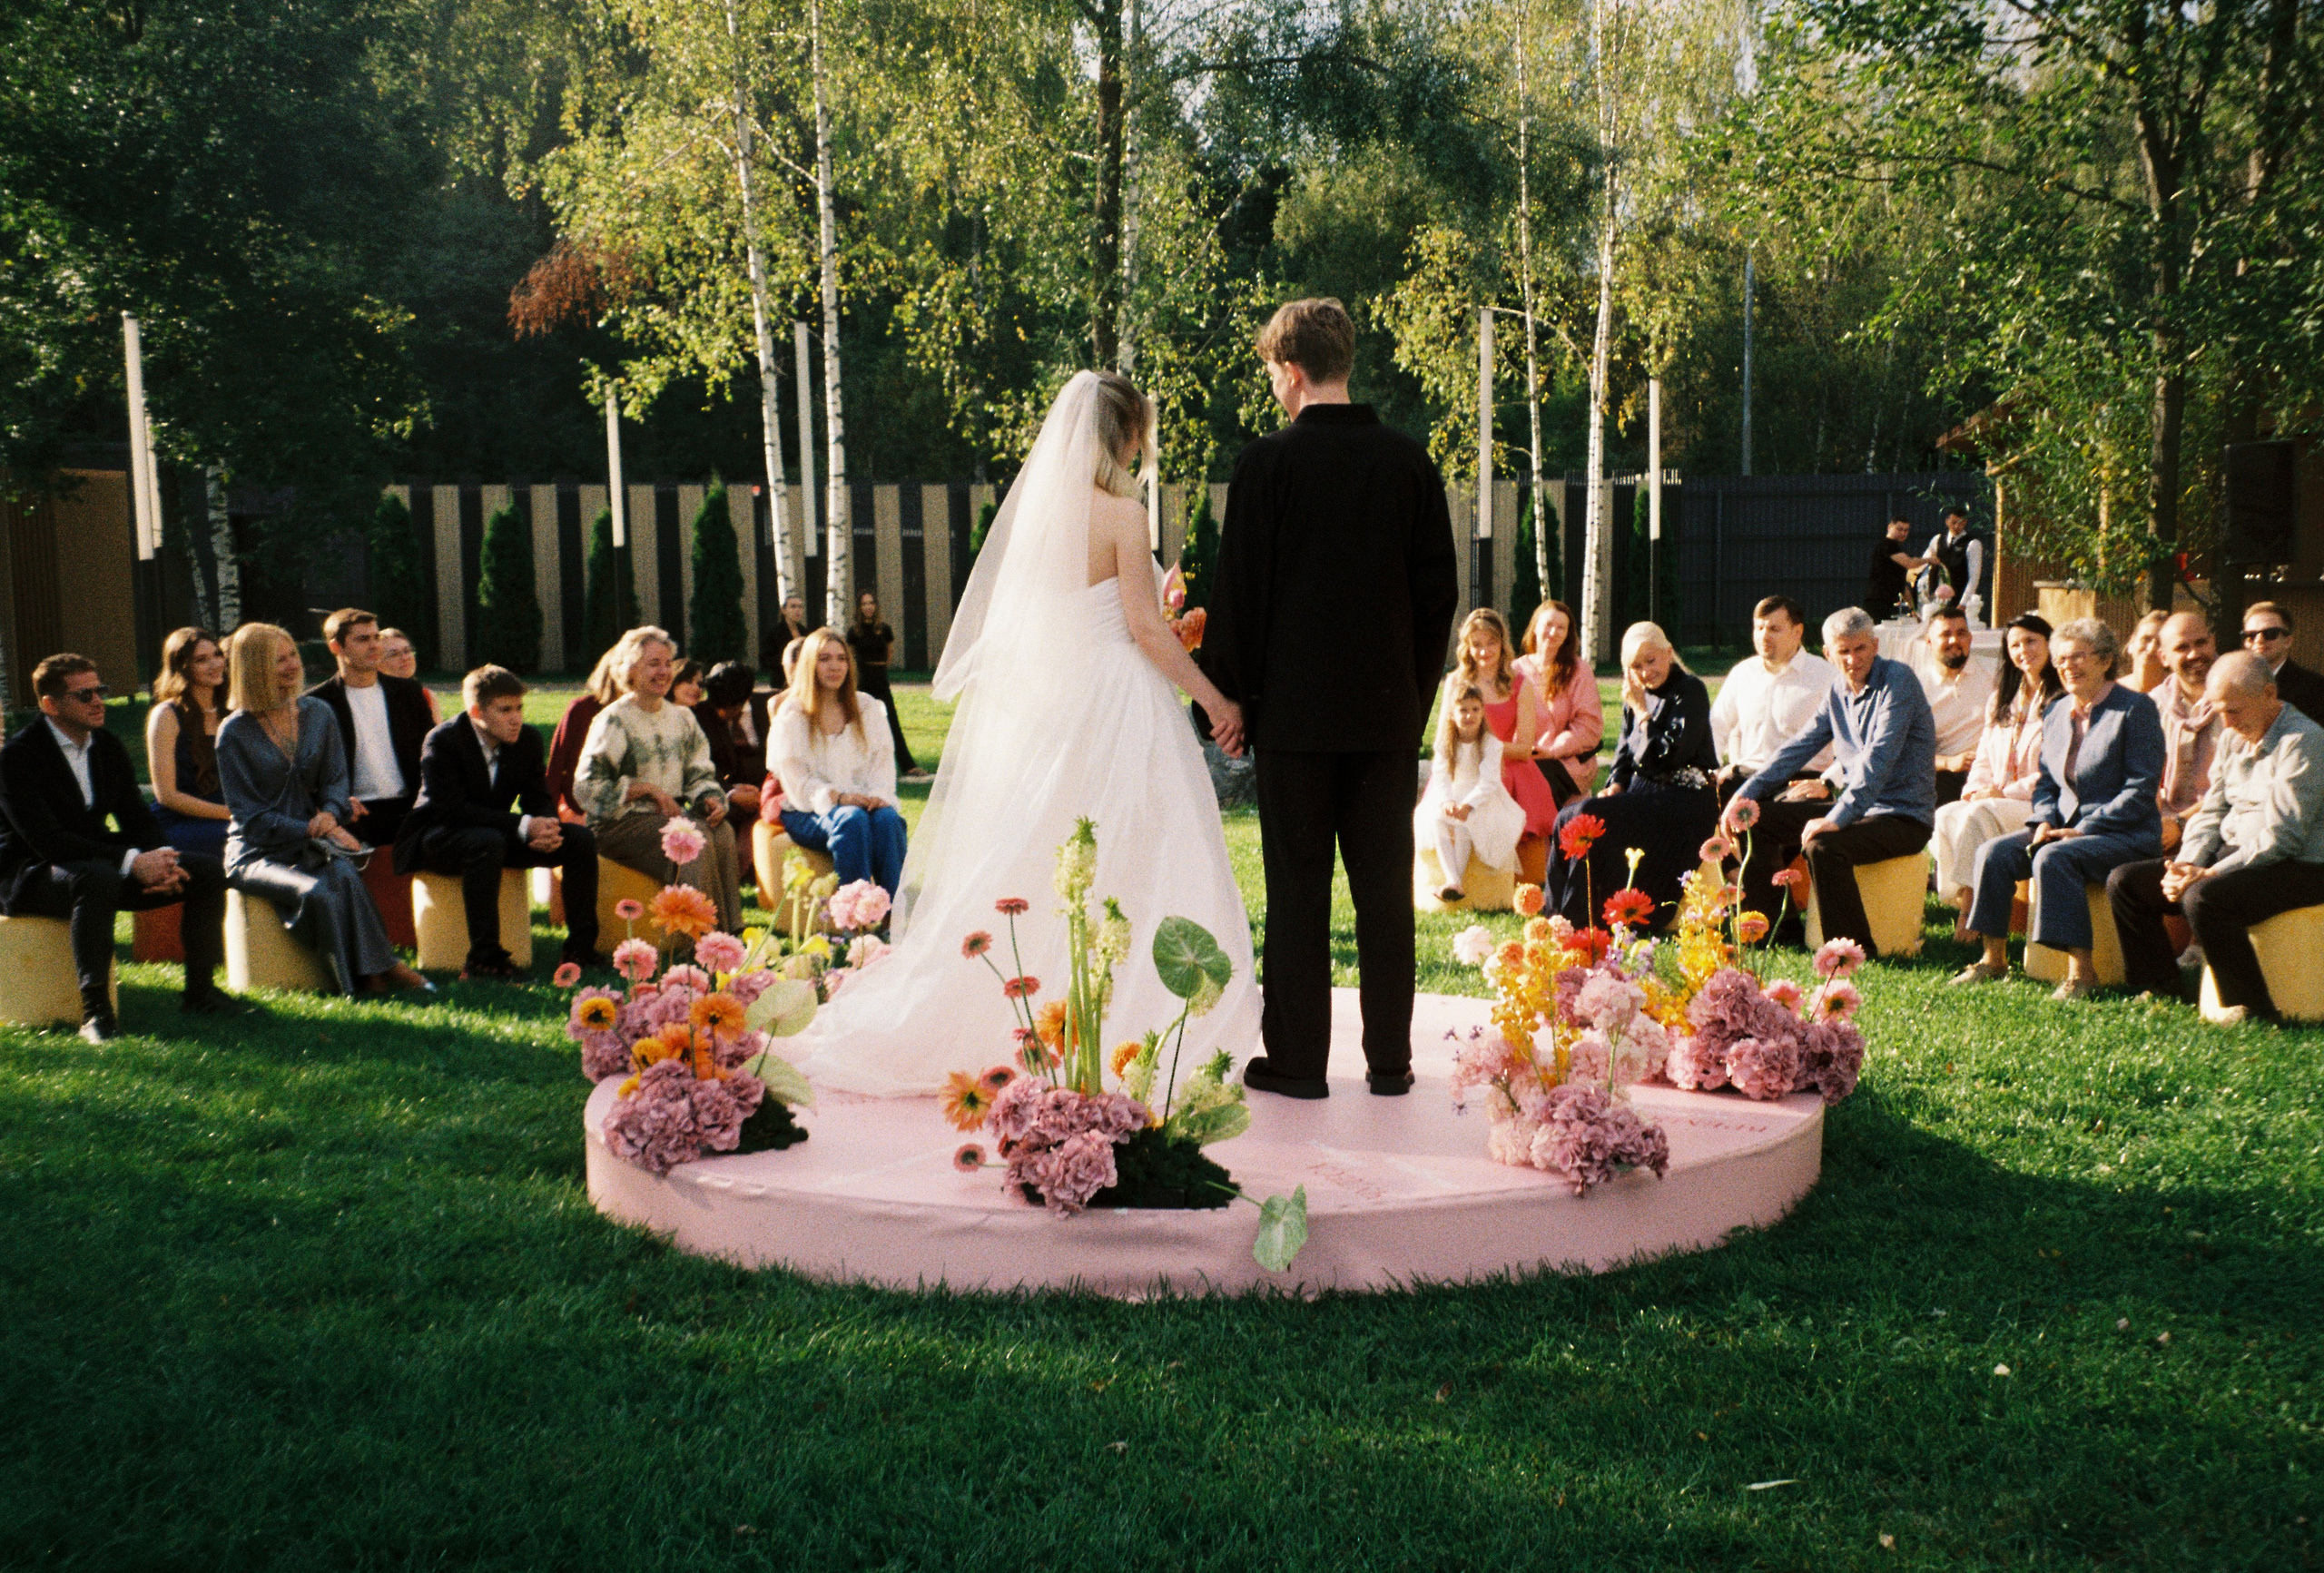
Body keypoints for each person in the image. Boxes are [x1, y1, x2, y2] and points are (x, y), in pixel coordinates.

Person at [792, 369, 1266, 1099]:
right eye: (1139, 433)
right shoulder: (1119, 513)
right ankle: (1126, 1020)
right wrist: (1214, 698)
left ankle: (1022, 1009)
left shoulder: (1042, 516)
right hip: (1118, 702)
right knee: (1136, 852)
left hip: (1054, 705)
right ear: (1124, 436)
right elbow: (1141, 628)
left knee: (1041, 851)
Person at [1197, 299, 1458, 1099]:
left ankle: (1301, 1063)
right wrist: (1410, 708)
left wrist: (1225, 704)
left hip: (1295, 728)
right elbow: (1437, 601)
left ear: (1291, 369)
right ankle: (1390, 1063)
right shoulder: (1409, 462)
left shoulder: (1266, 465)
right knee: (1385, 898)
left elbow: (1240, 597)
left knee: (1299, 894)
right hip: (1384, 723)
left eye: (1272, 372)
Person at [0, 654, 234, 1040]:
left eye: (100, 691)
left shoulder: (106, 744)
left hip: (95, 862)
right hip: (28, 871)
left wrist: (163, 859)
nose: (97, 702)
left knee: (207, 871)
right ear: (50, 704)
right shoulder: (17, 757)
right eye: (84, 695)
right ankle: (96, 1015)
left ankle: (201, 993)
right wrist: (131, 862)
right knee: (97, 877)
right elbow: (48, 841)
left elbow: (137, 816)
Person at [1952, 617, 2163, 1000]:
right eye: (2061, 660)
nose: (2068, 667)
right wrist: (2045, 819)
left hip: (2126, 834)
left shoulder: (2135, 709)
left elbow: (2140, 789)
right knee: (1993, 853)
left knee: (2054, 859)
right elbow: (2047, 782)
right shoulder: (2057, 710)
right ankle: (1992, 960)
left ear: (2104, 660)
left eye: (2078, 658)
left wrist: (2085, 828)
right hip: (2063, 827)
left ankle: (2082, 974)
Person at [2107, 652, 2324, 1023]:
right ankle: (2161, 985)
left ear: (2269, 694)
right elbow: (2211, 811)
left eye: (2234, 710)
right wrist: (2187, 863)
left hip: (2300, 864)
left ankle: (2250, 1008)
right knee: (2126, 881)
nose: (2224, 721)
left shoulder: (2305, 741)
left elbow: (2283, 836)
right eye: (2219, 710)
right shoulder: (2232, 736)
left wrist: (2209, 874)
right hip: (2236, 853)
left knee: (2205, 898)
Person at [216, 624, 431, 998]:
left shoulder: (318, 713)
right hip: (256, 852)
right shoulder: (233, 732)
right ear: (253, 667)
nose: (291, 666)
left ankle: (376, 975)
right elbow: (249, 817)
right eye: (278, 660)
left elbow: (337, 784)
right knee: (317, 893)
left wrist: (332, 815)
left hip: (315, 840)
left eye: (292, 656)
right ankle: (366, 978)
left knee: (346, 876)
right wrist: (313, 829)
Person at [1725, 608, 1937, 955]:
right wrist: (1742, 798)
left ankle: (1850, 950)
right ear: (1828, 653)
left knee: (1823, 846)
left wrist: (1836, 817)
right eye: (1843, 651)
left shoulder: (1898, 681)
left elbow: (1877, 760)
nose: (1853, 660)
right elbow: (1796, 749)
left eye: (1860, 649)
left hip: (1904, 816)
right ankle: (1781, 931)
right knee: (1754, 819)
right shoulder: (1837, 689)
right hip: (1858, 808)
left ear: (1875, 645)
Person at [396, 664, 599, 979]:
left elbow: (537, 795)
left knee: (578, 839)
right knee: (485, 840)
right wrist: (522, 827)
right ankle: (484, 958)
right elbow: (451, 810)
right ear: (477, 711)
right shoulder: (443, 740)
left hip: (497, 836)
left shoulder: (528, 739)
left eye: (519, 707)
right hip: (438, 837)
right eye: (505, 710)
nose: (516, 717)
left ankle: (581, 947)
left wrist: (546, 826)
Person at [572, 626, 743, 935]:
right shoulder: (614, 719)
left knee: (722, 831)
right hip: (618, 823)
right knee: (692, 842)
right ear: (631, 669)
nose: (664, 671)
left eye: (667, 663)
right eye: (653, 664)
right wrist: (643, 789)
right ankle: (701, 943)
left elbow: (700, 772)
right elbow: (585, 788)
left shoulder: (682, 718)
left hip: (668, 818)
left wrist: (711, 799)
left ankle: (731, 935)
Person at [1551, 623, 1718, 931]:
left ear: (1669, 653)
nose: (1645, 672)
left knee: (1588, 814)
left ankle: (1579, 918)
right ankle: (1555, 914)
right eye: (1636, 666)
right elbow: (1624, 757)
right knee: (1567, 816)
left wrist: (1643, 713)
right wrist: (1615, 785)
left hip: (1685, 801)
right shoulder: (1636, 697)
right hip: (1645, 796)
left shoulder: (1690, 690)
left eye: (1651, 661)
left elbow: (1669, 756)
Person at [1931, 613, 2061, 940]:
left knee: (1981, 813)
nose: (2023, 650)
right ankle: (1960, 895)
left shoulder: (2061, 699)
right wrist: (1974, 789)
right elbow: (1985, 756)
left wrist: (2001, 794)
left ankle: (1971, 911)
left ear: (2050, 644)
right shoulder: (2003, 699)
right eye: (2014, 644)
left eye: (2031, 641)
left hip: (2040, 804)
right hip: (1998, 796)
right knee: (1947, 814)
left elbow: (2055, 770)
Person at [769, 628, 909, 899]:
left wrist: (879, 796)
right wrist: (840, 797)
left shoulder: (867, 707)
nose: (834, 666)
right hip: (808, 809)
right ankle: (855, 919)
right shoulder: (793, 713)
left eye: (841, 658)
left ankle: (893, 915)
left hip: (860, 801)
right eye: (824, 659)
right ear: (810, 664)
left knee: (888, 819)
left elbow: (882, 765)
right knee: (851, 819)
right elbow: (798, 785)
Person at [306, 608, 433, 850]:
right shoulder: (316, 703)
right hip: (351, 814)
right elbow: (306, 771)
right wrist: (333, 804)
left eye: (376, 637)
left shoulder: (408, 693)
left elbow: (433, 753)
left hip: (410, 808)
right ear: (336, 647)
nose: (375, 646)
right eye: (363, 639)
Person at [1709, 595, 1835, 804]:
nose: (1764, 636)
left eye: (1774, 629)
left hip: (1799, 781)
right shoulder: (1743, 673)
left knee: (1785, 813)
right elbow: (1717, 724)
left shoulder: (1826, 676)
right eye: (1759, 628)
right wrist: (1712, 770)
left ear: (1798, 632)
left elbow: (1851, 742)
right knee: (1698, 798)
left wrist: (1828, 783)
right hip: (1748, 776)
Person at [1444, 609, 1557, 840]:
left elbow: (1525, 749)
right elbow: (1444, 741)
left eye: (1491, 642)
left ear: (1502, 643)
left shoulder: (1519, 684)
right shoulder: (1456, 681)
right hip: (1465, 765)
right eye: (1477, 644)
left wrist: (1484, 744)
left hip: (1508, 767)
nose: (1484, 651)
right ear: (1467, 646)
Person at [1415, 684, 1526, 901]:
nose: (1469, 715)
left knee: (1468, 822)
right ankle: (1453, 880)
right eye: (1463, 710)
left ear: (1483, 711)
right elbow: (1441, 775)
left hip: (1484, 796)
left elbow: (1490, 781)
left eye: (1475, 709)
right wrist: (1448, 800)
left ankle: (1455, 883)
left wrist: (1469, 804)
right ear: (1452, 714)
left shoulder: (1490, 743)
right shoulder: (1445, 743)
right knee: (1438, 819)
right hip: (1453, 792)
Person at [145, 625, 232, 858]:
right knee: (243, 838)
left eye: (217, 654)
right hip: (180, 822)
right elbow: (167, 795)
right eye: (202, 660)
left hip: (230, 817)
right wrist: (233, 814)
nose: (215, 664)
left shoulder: (233, 710)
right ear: (182, 667)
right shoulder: (166, 715)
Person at [1512, 599, 1600, 806]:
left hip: (1566, 762)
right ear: (1535, 628)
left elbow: (1589, 728)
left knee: (1532, 785)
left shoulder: (1579, 671)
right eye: (1548, 625)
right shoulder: (1515, 670)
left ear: (1568, 634)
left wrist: (1552, 751)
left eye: (1561, 627)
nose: (1553, 632)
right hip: (1523, 757)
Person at [2151, 612, 2221, 857]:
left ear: (2213, 642)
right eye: (2182, 647)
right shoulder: (2152, 705)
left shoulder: (2239, 697)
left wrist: (2181, 823)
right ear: (2163, 657)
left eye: (2201, 643)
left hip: (2222, 824)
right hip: (2162, 825)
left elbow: (2240, 784)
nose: (2194, 654)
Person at [545, 638, 632, 821]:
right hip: (579, 804)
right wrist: (549, 816)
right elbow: (557, 763)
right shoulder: (582, 709)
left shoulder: (641, 713)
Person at [1919, 606, 1996, 808]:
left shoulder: (1995, 675)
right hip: (1945, 775)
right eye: (1945, 634)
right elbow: (1908, 752)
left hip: (1993, 770)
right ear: (1929, 642)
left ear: (1970, 639)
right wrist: (1948, 762)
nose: (1954, 640)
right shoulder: (1918, 688)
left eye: (1961, 634)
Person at [848, 590, 929, 781]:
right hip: (862, 681)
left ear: (876, 606)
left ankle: (907, 766)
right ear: (859, 608)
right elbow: (850, 658)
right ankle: (859, 768)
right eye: (864, 604)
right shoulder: (854, 632)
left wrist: (879, 669)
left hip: (880, 681)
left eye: (871, 603)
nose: (868, 607)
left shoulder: (884, 629)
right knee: (860, 725)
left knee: (892, 723)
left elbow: (889, 654)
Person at [692, 661, 763, 818]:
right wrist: (731, 791)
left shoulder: (767, 706)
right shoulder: (701, 715)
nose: (720, 712)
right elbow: (703, 764)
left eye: (728, 707)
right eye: (716, 705)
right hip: (731, 792)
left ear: (747, 698)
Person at [2238, 601, 2324, 723]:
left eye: (2270, 633)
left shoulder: (2315, 689)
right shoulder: (2236, 685)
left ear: (2288, 641)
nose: (2259, 640)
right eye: (2251, 635)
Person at [1920, 504, 1987, 612]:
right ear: (1947, 521)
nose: (1957, 527)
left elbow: (1974, 577)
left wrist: (1963, 603)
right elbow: (1924, 562)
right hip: (1937, 600)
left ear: (1965, 522)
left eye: (1961, 523)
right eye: (1953, 523)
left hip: (1958, 599)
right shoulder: (1937, 540)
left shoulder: (1972, 544)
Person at [1862, 517, 1931, 619]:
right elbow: (1910, 563)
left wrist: (1913, 610)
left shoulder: (1896, 552)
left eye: (1906, 530)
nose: (1903, 533)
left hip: (1889, 603)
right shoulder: (1887, 544)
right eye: (1899, 529)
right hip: (1877, 602)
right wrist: (1929, 560)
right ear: (1889, 527)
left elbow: (1902, 585)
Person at [376, 627, 441, 721]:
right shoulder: (374, 697)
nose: (405, 658)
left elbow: (435, 734)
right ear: (377, 663)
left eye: (407, 651)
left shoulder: (426, 696)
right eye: (394, 654)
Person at [764, 594, 811, 685]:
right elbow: (766, 659)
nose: (797, 610)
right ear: (784, 610)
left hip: (802, 680)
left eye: (800, 607)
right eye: (793, 607)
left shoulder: (805, 631)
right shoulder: (774, 632)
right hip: (781, 680)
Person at [2121, 610, 2170, 694]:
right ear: (2131, 643)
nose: (2152, 648)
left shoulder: (2178, 695)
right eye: (2146, 639)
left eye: (2160, 642)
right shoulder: (2109, 693)